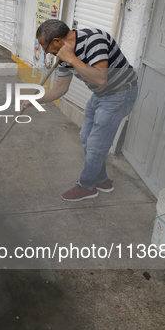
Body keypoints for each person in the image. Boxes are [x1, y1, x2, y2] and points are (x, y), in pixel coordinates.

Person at [24, 19, 139, 201]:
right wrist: (36, 100)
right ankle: (102, 180)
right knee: (86, 137)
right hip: (101, 95)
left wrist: (71, 58)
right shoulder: (63, 57)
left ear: (56, 41)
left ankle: (86, 186)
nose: (46, 53)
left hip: (120, 93)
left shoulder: (94, 41)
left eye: (45, 47)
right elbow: (61, 88)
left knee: (95, 145)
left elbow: (101, 79)